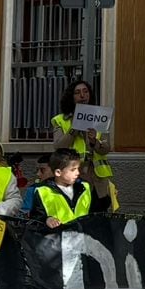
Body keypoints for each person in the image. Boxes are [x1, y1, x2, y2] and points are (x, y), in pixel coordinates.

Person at [51, 78, 117, 211]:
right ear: (72, 97)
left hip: (97, 178)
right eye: (78, 92)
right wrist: (74, 129)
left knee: (99, 213)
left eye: (85, 92)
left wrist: (94, 142)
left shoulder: (100, 117)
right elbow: (58, 146)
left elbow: (106, 148)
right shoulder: (60, 120)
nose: (82, 95)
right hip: (75, 175)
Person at [24, 149, 94, 228]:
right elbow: (35, 218)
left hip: (82, 237)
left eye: (78, 168)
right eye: (73, 170)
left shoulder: (85, 186)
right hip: (56, 237)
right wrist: (47, 219)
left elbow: (93, 214)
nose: (78, 173)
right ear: (58, 172)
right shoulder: (42, 190)